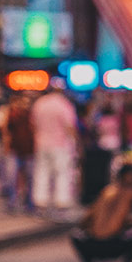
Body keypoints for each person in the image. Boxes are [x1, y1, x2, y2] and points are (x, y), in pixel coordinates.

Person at [70, 163, 132, 262]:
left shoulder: (106, 191)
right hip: (114, 245)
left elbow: (85, 220)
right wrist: (127, 223)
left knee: (75, 234)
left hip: (91, 245)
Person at [30, 78, 79, 215]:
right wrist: (76, 143)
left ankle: (41, 202)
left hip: (41, 144)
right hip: (60, 144)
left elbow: (33, 125)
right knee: (62, 173)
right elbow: (70, 127)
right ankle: (61, 202)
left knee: (41, 173)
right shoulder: (64, 105)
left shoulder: (40, 103)